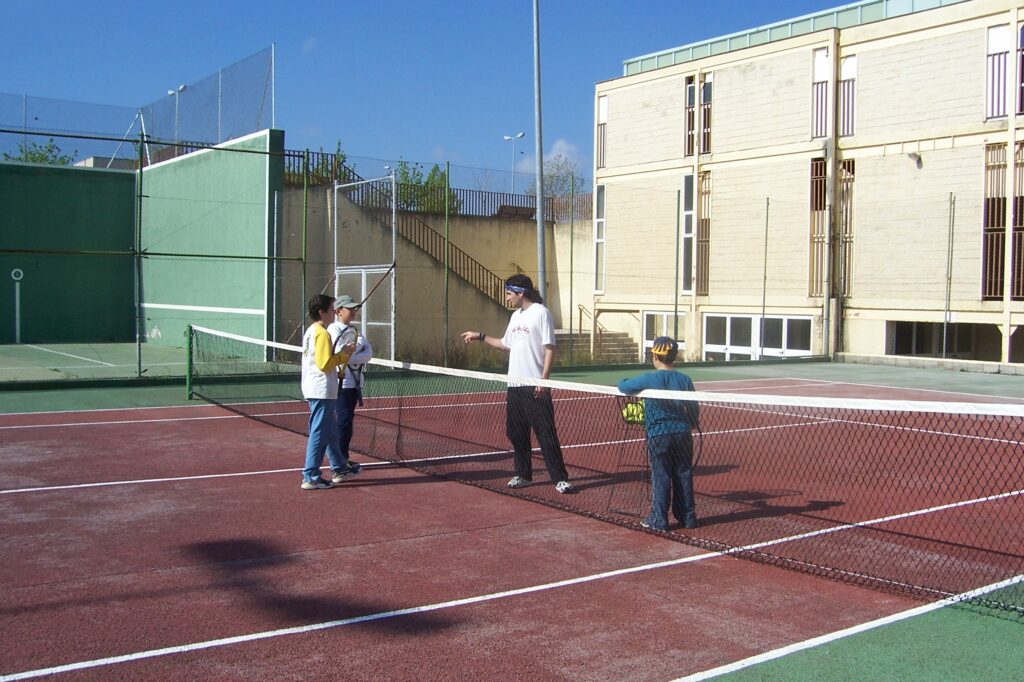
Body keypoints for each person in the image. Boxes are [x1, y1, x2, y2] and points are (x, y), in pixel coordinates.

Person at [461, 274, 573, 494]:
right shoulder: (515, 317)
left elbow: (550, 347)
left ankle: (560, 478)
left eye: (509, 293)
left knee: (546, 434)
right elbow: (505, 344)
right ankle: (523, 475)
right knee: (516, 433)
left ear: (521, 293)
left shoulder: (541, 313)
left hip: (534, 386)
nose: (507, 297)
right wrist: (480, 336)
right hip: (514, 385)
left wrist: (544, 379)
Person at [618, 337, 699, 530]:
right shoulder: (684, 380)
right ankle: (688, 518)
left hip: (658, 434)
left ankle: (659, 520)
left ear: (655, 356)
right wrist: (693, 422)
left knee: (661, 475)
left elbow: (624, 386)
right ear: (674, 357)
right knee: (683, 474)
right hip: (682, 434)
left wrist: (623, 380)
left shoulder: (648, 378)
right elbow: (694, 406)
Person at [300, 294, 356, 490]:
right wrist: (344, 355)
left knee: (330, 431)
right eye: (331, 309)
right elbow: (324, 364)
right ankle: (310, 476)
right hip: (321, 389)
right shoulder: (322, 334)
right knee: (319, 432)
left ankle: (340, 467)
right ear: (321, 312)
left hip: (316, 387)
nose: (334, 312)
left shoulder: (311, 331)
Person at [327, 294, 373, 482]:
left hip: (355, 384)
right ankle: (338, 463)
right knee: (342, 423)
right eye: (349, 308)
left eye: (355, 308)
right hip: (341, 384)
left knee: (347, 424)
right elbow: (338, 355)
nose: (353, 311)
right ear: (338, 311)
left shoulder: (354, 330)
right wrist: (352, 353)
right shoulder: (333, 330)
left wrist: (353, 353)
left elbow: (368, 352)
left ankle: (343, 457)